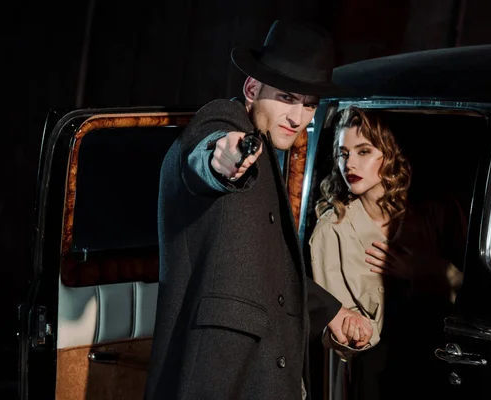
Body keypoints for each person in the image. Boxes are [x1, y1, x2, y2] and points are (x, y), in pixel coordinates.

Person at [144, 21, 372, 400]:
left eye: (309, 104)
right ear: (252, 89)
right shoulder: (222, 122)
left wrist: (331, 312)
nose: (298, 118)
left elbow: (269, 270)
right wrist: (223, 159)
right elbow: (204, 156)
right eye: (286, 97)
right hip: (217, 379)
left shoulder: (269, 157)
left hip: (268, 377)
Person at [309, 106, 466, 399]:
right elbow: (333, 324)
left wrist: (422, 271)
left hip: (437, 364)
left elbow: (469, 293)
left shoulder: (431, 216)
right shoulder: (333, 229)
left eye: (363, 151)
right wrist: (353, 333)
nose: (349, 164)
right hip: (370, 373)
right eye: (343, 153)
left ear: (389, 154)